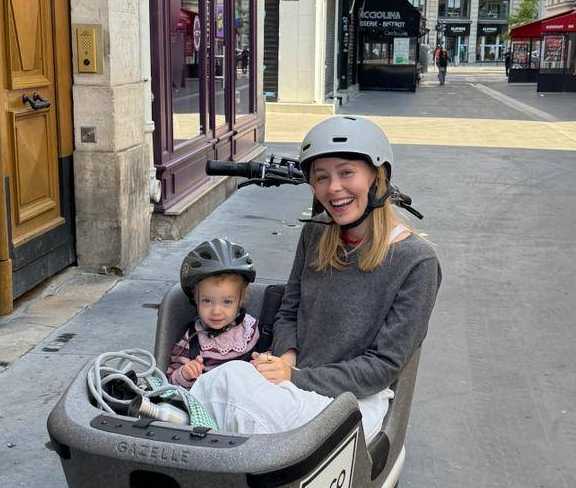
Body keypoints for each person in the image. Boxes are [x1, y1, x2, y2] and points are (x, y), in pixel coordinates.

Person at [189, 116, 441, 440]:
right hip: (295, 381)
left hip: (352, 401)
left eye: (346, 172)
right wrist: (287, 356)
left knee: (229, 392)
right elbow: (290, 310)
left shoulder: (416, 262)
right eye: (321, 177)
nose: (334, 187)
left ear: (377, 178)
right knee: (220, 382)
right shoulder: (316, 234)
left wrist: (295, 378)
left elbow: (382, 366)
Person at [168, 239, 260, 388]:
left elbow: (268, 360)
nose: (216, 311)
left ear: (240, 299)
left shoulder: (251, 330)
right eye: (207, 301)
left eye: (227, 302)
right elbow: (169, 382)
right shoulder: (191, 341)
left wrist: (263, 362)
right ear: (195, 298)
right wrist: (184, 373)